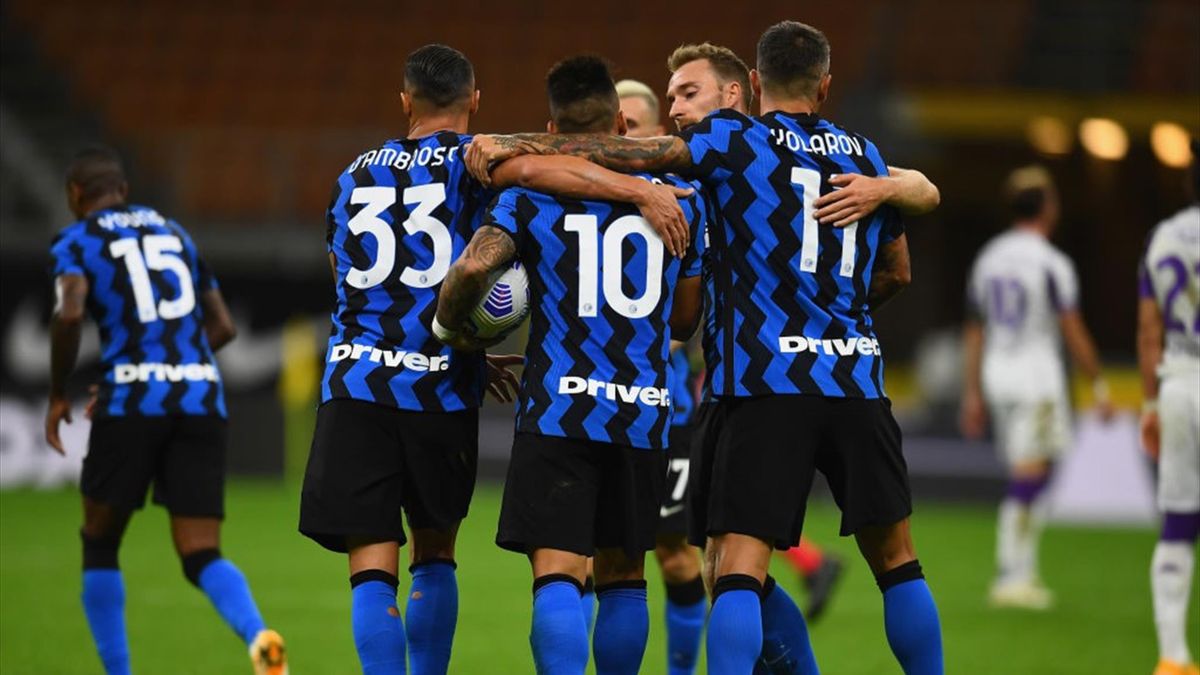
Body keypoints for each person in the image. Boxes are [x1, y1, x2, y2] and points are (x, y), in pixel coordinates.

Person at [465, 21, 944, 675]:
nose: (676, 108)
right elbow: (898, 270)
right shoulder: (862, 155)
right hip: (855, 380)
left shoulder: (732, 143)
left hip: (762, 383)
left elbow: (625, 157)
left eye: (685, 94)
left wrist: (512, 142)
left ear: (752, 84)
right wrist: (837, 319)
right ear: (826, 86)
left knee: (735, 570)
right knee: (898, 561)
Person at [300, 43, 694, 675]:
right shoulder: (481, 165)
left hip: (358, 382)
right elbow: (549, 176)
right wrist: (639, 191)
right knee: (437, 555)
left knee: (371, 568)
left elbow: (342, 277)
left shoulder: (352, 175)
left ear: (404, 101)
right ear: (476, 101)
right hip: (446, 387)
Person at [433, 55, 705, 675]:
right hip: (641, 410)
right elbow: (686, 321)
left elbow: (473, 267)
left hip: (559, 408)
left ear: (552, 132)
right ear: (622, 124)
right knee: (625, 576)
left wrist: (453, 332)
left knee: (557, 573)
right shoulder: (682, 200)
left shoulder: (527, 197)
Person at [45, 145, 286, 675]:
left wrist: (59, 392)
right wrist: (175, 363)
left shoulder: (77, 240)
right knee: (201, 552)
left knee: (100, 541)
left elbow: (70, 313)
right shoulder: (174, 233)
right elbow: (223, 327)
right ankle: (258, 634)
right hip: (200, 396)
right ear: (124, 191)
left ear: (75, 196)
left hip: (133, 398)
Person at [961, 166, 1114, 610]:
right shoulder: (1051, 262)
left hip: (997, 375)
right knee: (1031, 476)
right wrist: (1099, 385)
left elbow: (974, 330)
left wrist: (972, 392)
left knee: (1027, 472)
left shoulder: (988, 258)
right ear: (1047, 207)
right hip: (1036, 377)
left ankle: (1020, 570)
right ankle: (1012, 574)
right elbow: (1072, 328)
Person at [1137, 142, 1200, 675]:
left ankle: (1173, 656)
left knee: (1179, 519)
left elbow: (1148, 330)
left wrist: (1150, 404)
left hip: (1179, 384)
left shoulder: (1164, 237)